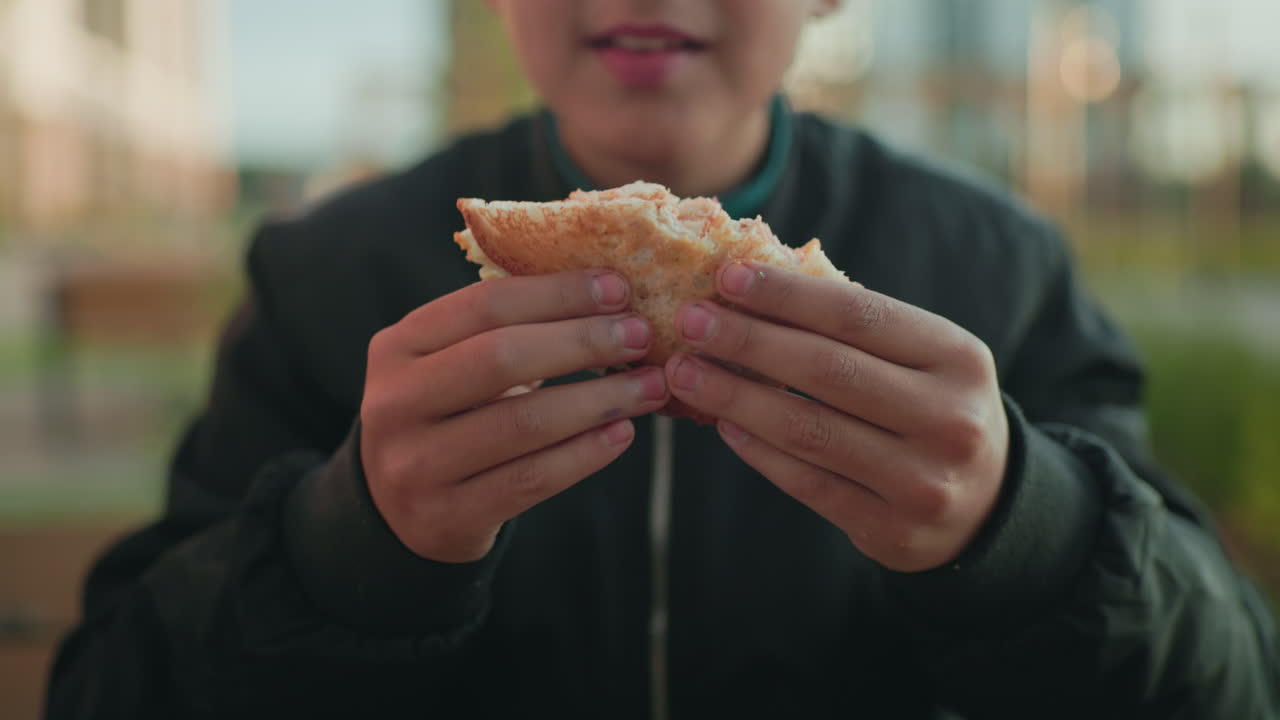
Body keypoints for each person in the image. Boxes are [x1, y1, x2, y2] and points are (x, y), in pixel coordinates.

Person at [46, 1, 1279, 718]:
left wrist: (1026, 524)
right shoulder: (324, 276)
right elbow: (107, 688)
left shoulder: (995, 263)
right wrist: (343, 545)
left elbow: (1230, 682)